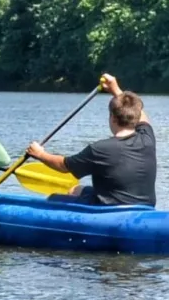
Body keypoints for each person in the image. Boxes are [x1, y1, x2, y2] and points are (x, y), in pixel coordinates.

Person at [23, 74, 156, 206]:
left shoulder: (100, 149)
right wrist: (116, 90)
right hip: (144, 207)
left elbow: (63, 166)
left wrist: (39, 154)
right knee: (77, 190)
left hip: (110, 211)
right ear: (135, 117)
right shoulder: (147, 139)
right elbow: (141, 116)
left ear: (113, 118)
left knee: (53, 199)